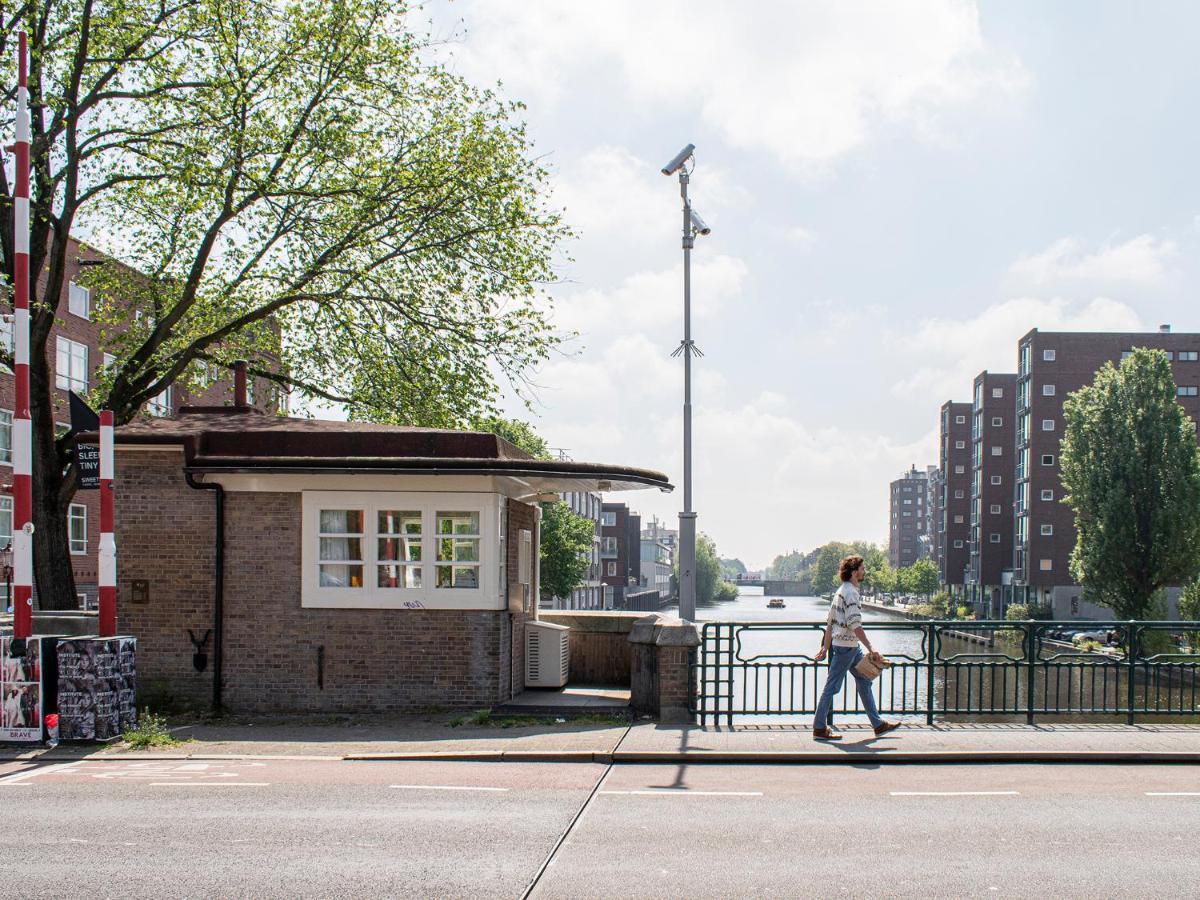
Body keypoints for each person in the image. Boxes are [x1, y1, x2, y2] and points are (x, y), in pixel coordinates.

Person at [813, 554, 900, 741]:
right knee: (832, 688)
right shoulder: (850, 593)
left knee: (864, 681)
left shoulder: (840, 591)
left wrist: (826, 646)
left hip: (848, 646)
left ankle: (878, 725)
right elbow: (854, 624)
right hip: (846, 648)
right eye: (862, 568)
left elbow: (830, 622)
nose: (864, 571)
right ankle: (819, 727)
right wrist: (871, 647)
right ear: (854, 573)